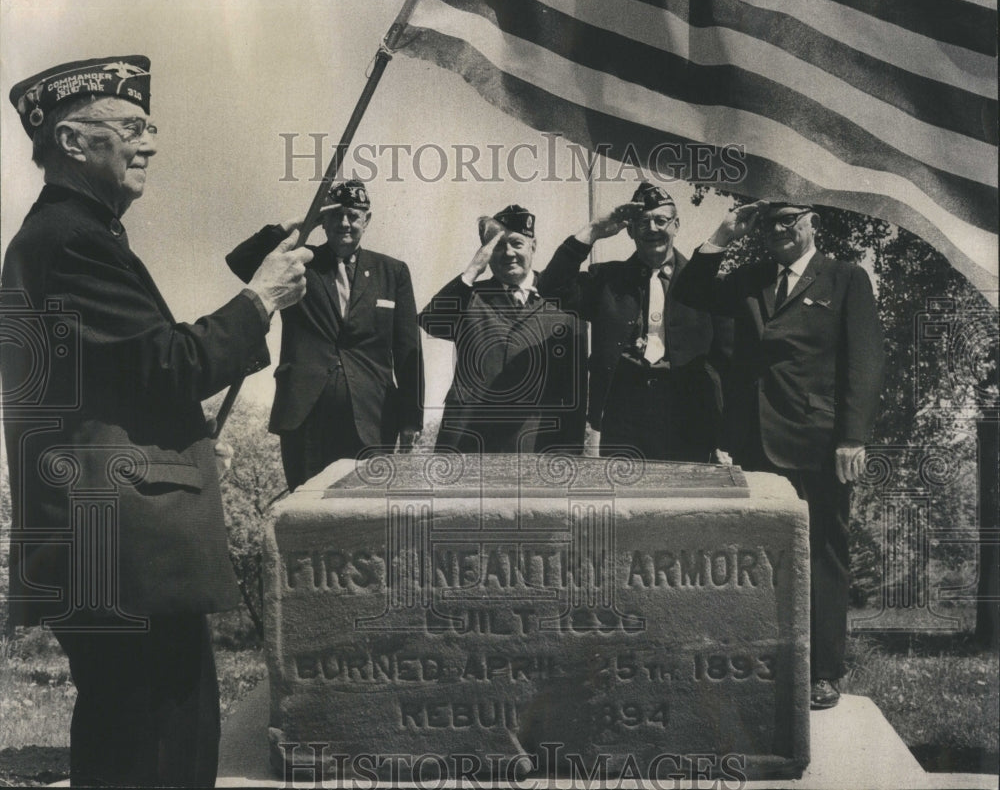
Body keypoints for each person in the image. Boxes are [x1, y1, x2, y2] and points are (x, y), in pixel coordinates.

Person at [1, 55, 311, 786]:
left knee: (142, 737)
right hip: (122, 551)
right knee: (158, 745)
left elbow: (121, 386)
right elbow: (169, 361)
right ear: (75, 142)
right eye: (133, 125)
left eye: (151, 126)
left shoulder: (71, 237)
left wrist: (189, 444)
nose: (150, 141)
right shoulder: (73, 241)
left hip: (110, 544)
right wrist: (259, 299)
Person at [672, 200, 886, 709]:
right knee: (757, 558)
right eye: (768, 222)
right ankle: (761, 666)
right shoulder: (749, 279)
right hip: (753, 442)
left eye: (789, 220)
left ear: (812, 222)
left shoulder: (845, 279)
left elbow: (865, 361)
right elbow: (692, 292)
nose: (778, 230)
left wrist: (852, 438)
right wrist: (723, 234)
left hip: (818, 442)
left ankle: (822, 673)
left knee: (823, 555)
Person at [226, 179, 423, 490]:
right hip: (305, 416)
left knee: (366, 517)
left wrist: (411, 419)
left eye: (353, 216)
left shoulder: (393, 272)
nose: (344, 223)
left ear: (366, 219)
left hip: (373, 416)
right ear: (322, 220)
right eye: (335, 215)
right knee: (306, 514)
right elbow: (240, 261)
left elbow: (407, 348)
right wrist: (293, 225)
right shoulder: (299, 264)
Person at [537, 182, 731, 462]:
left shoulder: (704, 283)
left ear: (677, 225)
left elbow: (727, 359)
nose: (652, 229)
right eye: (642, 222)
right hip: (622, 417)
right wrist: (592, 231)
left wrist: (724, 434)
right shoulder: (607, 279)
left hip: (690, 417)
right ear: (629, 230)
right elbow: (551, 288)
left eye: (661, 220)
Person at [419, 205, 584, 454]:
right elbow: (431, 321)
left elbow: (574, 392)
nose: (508, 253)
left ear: (533, 245)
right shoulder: (470, 296)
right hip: (468, 442)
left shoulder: (565, 303)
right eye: (498, 246)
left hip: (536, 444)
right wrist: (472, 270)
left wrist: (570, 453)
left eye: (517, 243)